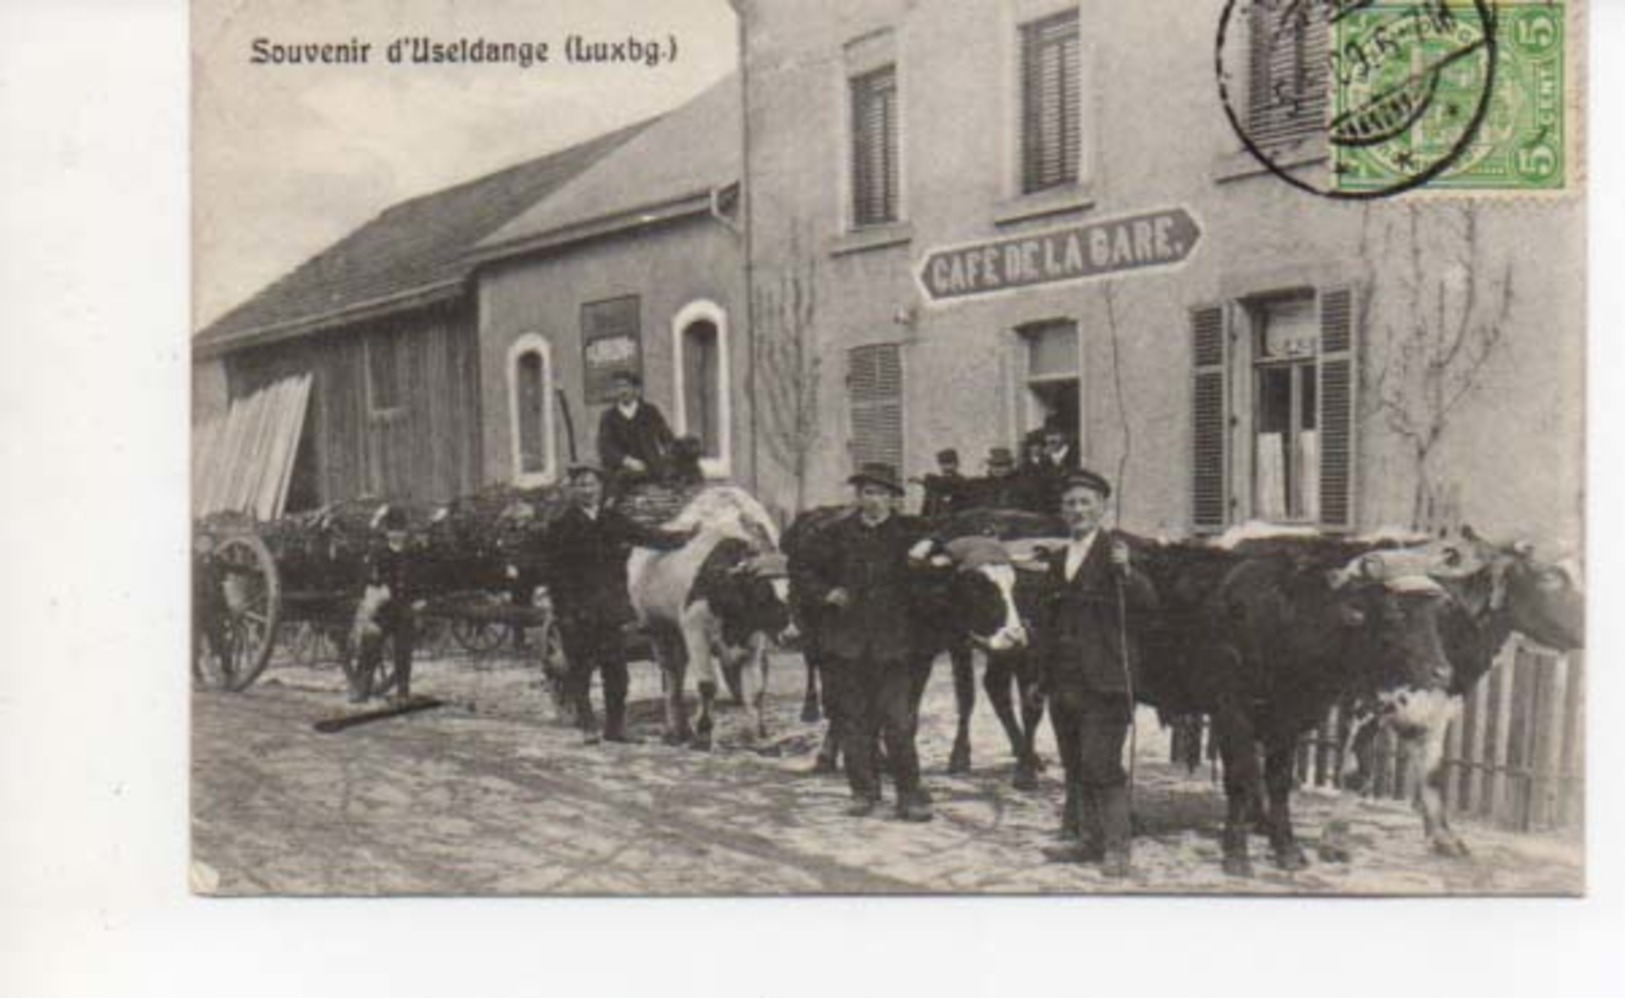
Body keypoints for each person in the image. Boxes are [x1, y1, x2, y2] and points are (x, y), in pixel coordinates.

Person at [1030, 469, 1157, 877]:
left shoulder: (1120, 551)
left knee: (1101, 763)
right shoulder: (1059, 558)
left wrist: (1128, 573)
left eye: (1086, 502)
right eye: (1070, 503)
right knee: (1075, 764)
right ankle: (1089, 839)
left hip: (1107, 679)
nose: (1077, 510)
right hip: (1064, 681)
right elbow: (1047, 622)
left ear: (1102, 508)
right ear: (1062, 511)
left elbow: (1149, 605)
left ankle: (1118, 848)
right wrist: (1040, 676)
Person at [795, 462, 935, 822]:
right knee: (854, 721)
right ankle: (864, 791)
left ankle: (909, 794)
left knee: (899, 723)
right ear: (858, 496)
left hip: (895, 647)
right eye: (869, 493)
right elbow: (802, 569)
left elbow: (945, 538)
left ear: (893, 500)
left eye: (883, 494)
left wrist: (926, 550)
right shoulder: (834, 534)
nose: (875, 500)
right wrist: (826, 593)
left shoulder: (907, 534)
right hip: (847, 644)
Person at [538, 463, 694, 744]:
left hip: (610, 609)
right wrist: (565, 613)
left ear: (601, 488)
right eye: (581, 485)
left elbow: (646, 536)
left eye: (592, 484)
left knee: (616, 672)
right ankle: (587, 725)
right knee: (582, 670)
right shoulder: (562, 526)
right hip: (578, 610)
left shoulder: (612, 520)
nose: (588, 489)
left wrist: (683, 539)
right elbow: (555, 574)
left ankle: (614, 728)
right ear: (573, 490)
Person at [349, 506, 421, 704]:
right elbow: (366, 579)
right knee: (371, 647)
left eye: (400, 529)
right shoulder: (378, 553)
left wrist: (419, 600)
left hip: (404, 610)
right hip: (382, 610)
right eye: (392, 529)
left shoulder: (412, 554)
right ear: (387, 531)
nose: (396, 534)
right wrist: (374, 597)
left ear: (405, 532)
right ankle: (362, 688)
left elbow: (419, 580)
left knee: (403, 651)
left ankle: (403, 692)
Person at [596, 370, 676, 488]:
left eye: (626, 386)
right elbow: (605, 446)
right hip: (621, 472)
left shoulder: (649, 411)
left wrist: (668, 457)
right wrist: (627, 461)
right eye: (618, 387)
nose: (622, 391)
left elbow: (666, 436)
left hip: (651, 469)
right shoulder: (609, 417)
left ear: (635, 389)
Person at [966, 446, 1042, 513]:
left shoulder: (1023, 484)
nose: (998, 469)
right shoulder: (982, 486)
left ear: (1010, 466)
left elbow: (1035, 511)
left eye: (1002, 465)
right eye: (994, 465)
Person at [918, 447, 972, 519]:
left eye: (949, 463)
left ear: (956, 464)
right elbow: (927, 504)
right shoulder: (935, 482)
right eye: (943, 464)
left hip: (955, 521)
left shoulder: (962, 481)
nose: (946, 467)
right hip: (935, 521)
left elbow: (966, 504)